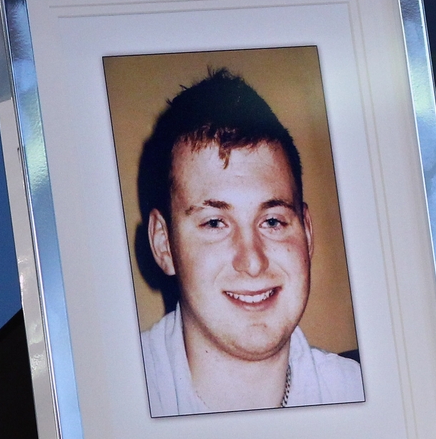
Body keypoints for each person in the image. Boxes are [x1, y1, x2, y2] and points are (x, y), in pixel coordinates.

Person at [136, 69, 364, 417]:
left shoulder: (365, 395)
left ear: (307, 233)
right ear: (164, 244)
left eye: (272, 221)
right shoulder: (110, 401)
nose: (253, 261)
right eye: (215, 223)